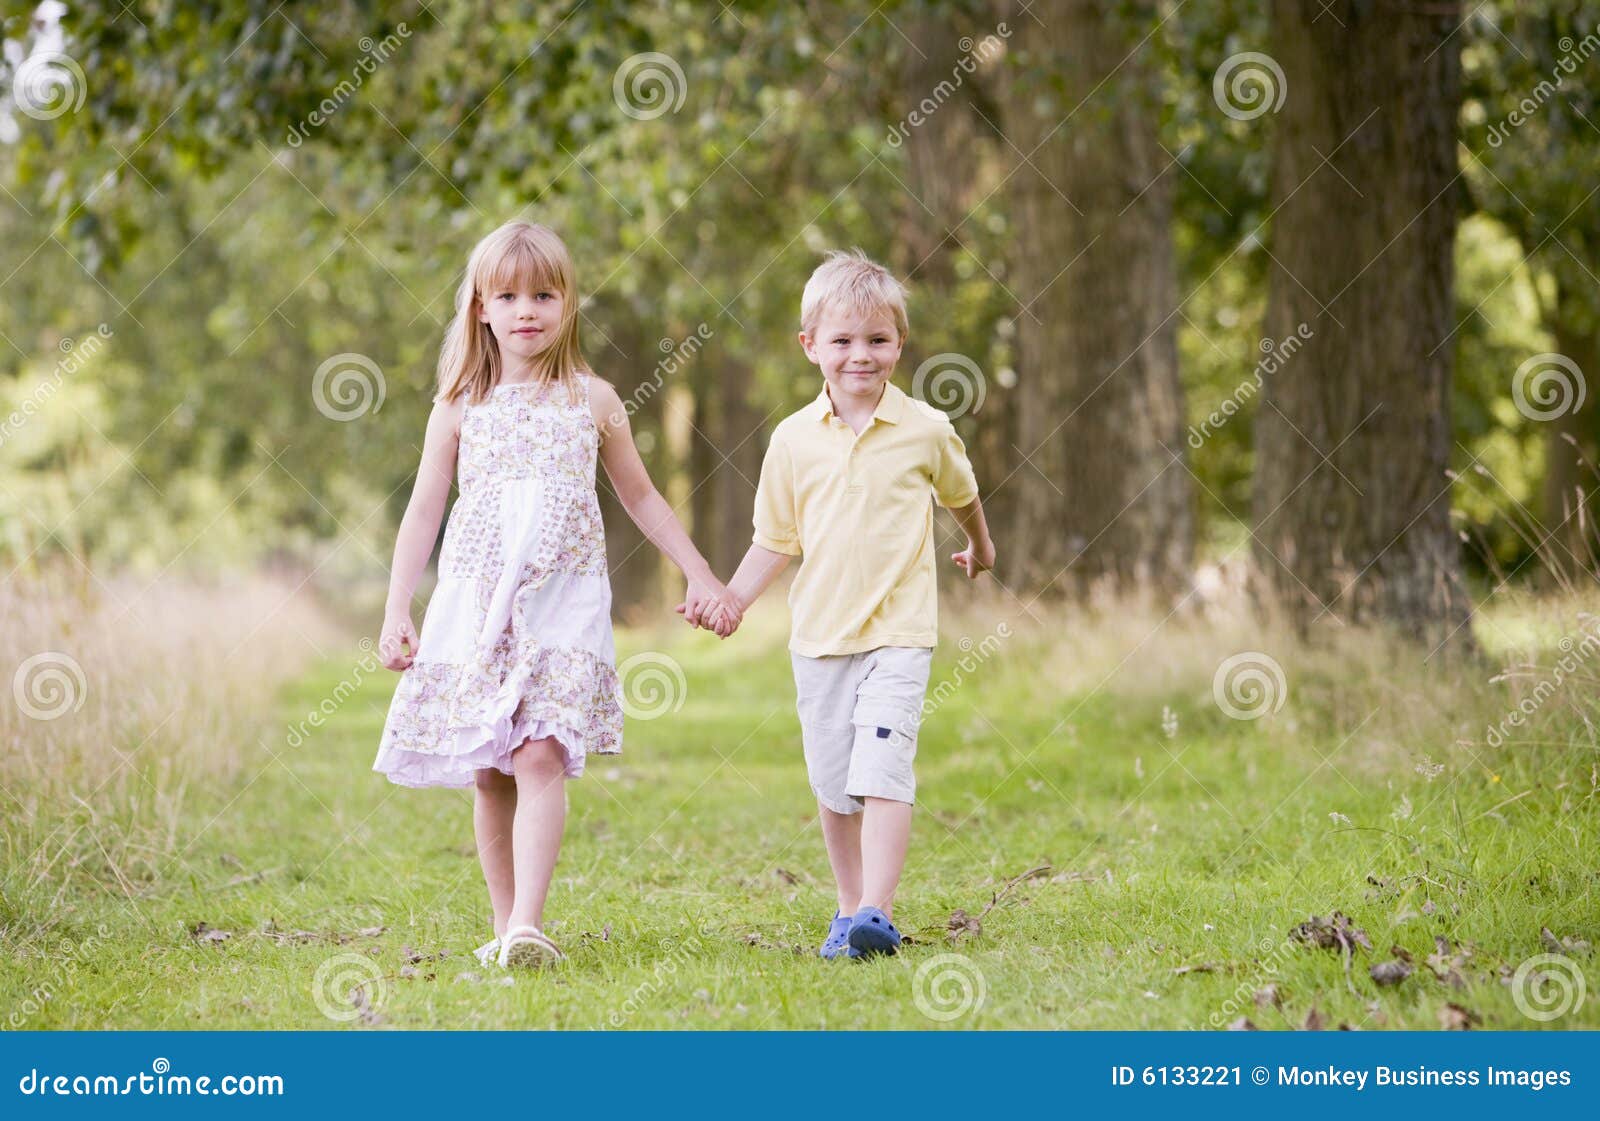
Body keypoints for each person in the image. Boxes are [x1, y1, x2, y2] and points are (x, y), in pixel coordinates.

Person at [373, 219, 738, 970]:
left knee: (541, 751)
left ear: (569, 303)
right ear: (479, 307)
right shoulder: (459, 405)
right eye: (506, 295)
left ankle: (529, 924)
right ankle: (506, 923)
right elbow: (424, 509)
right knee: (489, 764)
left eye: (543, 293)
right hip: (478, 600)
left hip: (562, 597)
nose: (526, 309)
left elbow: (642, 498)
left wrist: (702, 572)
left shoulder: (594, 399)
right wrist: (396, 606)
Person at [703, 249, 995, 958]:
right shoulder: (793, 440)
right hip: (820, 639)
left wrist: (981, 548)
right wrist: (735, 598)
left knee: (884, 768)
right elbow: (776, 537)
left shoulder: (925, 427)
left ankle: (877, 911)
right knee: (836, 787)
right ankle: (846, 907)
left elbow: (964, 494)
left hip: (900, 633)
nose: (860, 355)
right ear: (810, 346)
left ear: (899, 343)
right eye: (842, 340)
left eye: (877, 339)